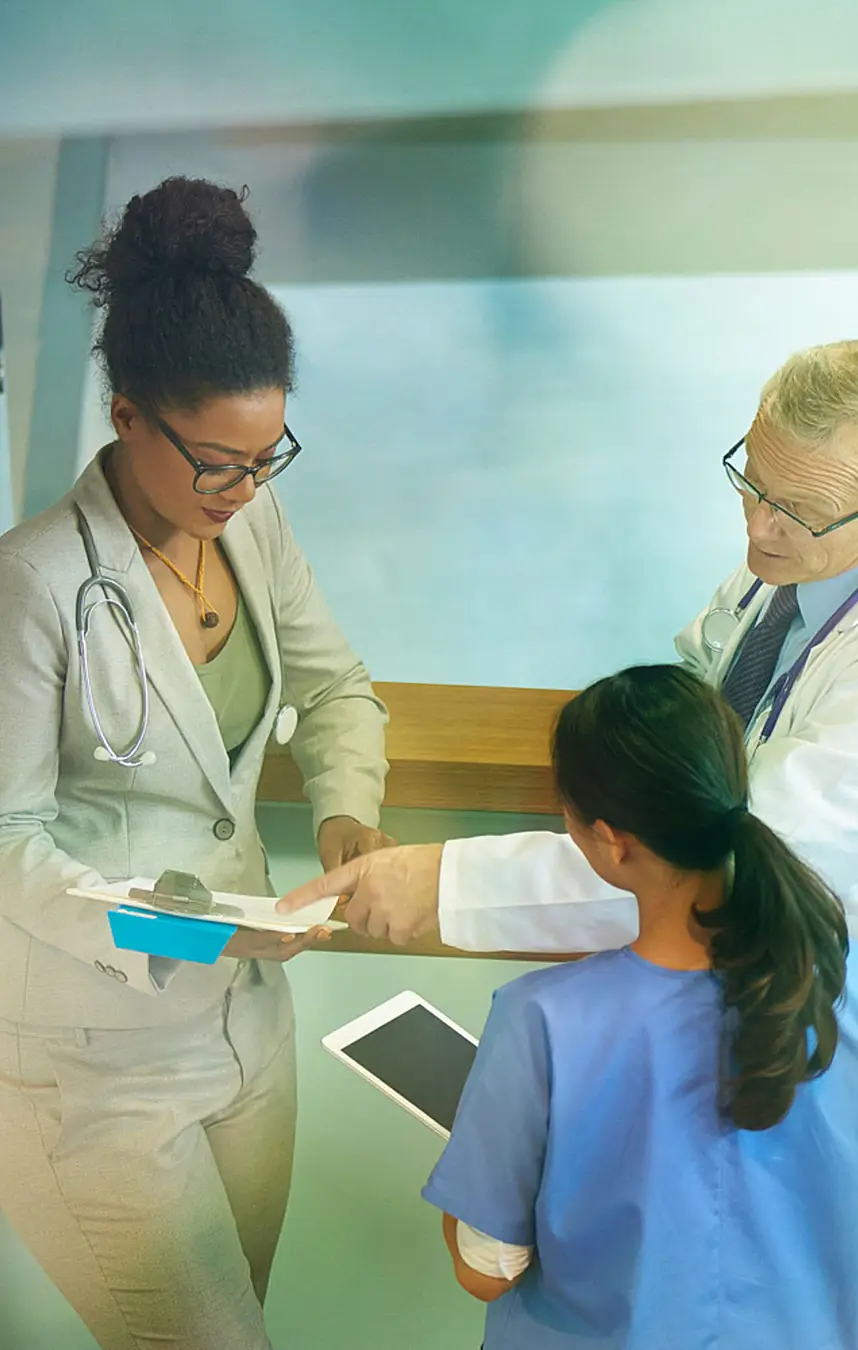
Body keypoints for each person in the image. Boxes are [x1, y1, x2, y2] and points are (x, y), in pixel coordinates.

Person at [284, 340, 858, 1348]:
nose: (759, 527)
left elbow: (717, 858)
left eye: (798, 512)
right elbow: (701, 693)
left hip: (842, 1074)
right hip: (759, 1059)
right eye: (752, 482)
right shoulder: (794, 567)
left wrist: (442, 882)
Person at [0, 177, 390, 1349]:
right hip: (92, 1061)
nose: (245, 489)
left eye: (268, 458)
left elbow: (335, 689)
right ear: (126, 417)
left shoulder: (251, 524)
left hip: (246, 1036)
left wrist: (348, 826)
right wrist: (197, 928)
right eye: (218, 463)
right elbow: (8, 851)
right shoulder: (32, 585)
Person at [425, 665, 858, 1348]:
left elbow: (487, 1267)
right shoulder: (849, 984)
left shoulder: (543, 1021)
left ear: (612, 842)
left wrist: (475, 1168)